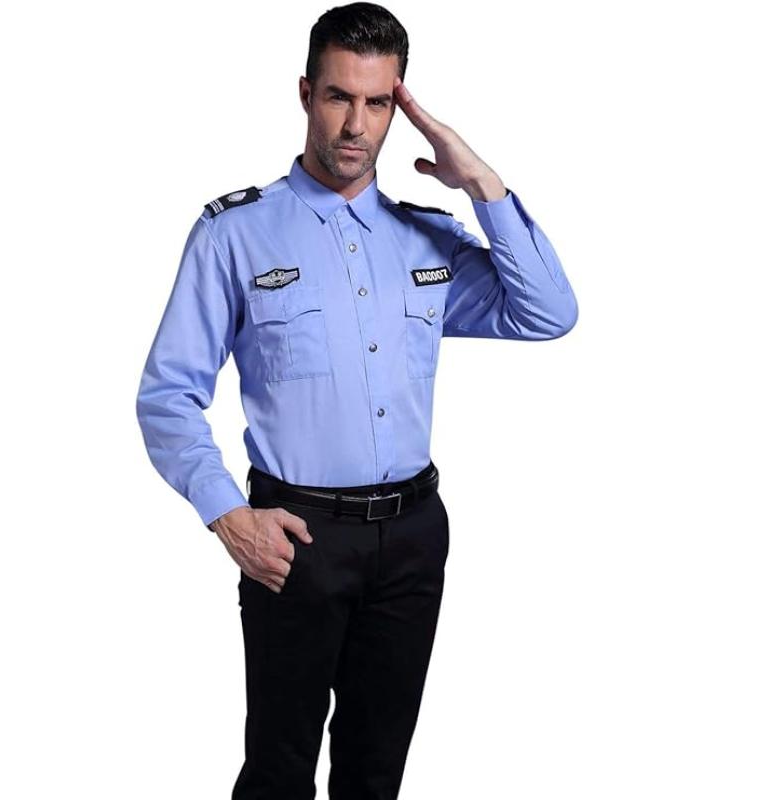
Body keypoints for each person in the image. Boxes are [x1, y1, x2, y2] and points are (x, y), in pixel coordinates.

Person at [135, 3, 578, 797]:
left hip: (413, 538)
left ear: (398, 107)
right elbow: (168, 394)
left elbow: (547, 312)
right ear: (306, 92)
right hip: (295, 538)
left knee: (376, 775)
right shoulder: (235, 234)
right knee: (278, 773)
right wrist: (227, 513)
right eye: (339, 96)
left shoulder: (428, 240)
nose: (355, 125)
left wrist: (483, 185)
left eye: (377, 103)